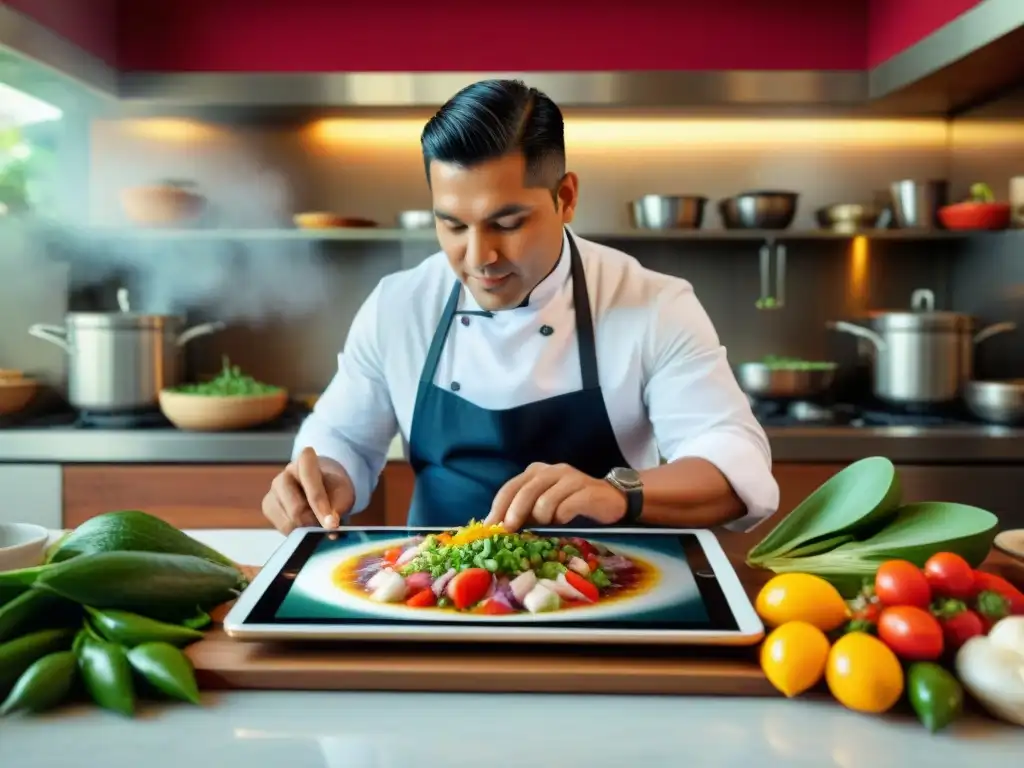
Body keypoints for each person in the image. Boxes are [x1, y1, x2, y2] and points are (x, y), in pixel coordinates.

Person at [262, 78, 778, 535]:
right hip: (433, 605)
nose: (480, 257)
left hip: (613, 599)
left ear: (566, 197)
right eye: (453, 225)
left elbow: (735, 465)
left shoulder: (653, 304)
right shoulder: (398, 307)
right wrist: (323, 479)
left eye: (507, 224)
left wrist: (620, 492)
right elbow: (343, 437)